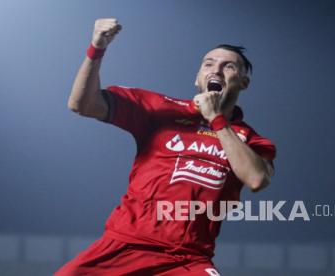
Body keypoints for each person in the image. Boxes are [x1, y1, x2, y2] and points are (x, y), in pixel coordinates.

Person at [55, 18, 276, 276]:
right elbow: (82, 104)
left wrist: (217, 120)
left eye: (228, 66)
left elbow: (257, 179)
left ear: (243, 83)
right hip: (124, 246)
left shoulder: (250, 139)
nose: (216, 69)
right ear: (197, 78)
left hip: (187, 258)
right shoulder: (161, 109)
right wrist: (97, 48)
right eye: (208, 64)